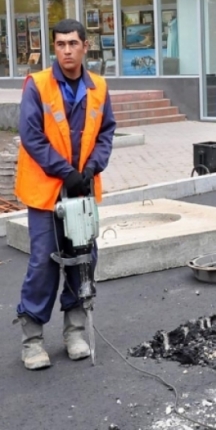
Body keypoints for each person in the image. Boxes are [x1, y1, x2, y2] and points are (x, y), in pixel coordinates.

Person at [14, 18, 116, 370]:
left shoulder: (99, 87)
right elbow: (32, 136)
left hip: (81, 192)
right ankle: (32, 340)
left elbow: (106, 132)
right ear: (54, 48)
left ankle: (74, 332)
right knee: (44, 262)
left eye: (73, 43)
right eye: (60, 44)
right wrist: (65, 172)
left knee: (83, 259)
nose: (67, 50)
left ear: (86, 46)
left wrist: (92, 168)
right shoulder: (38, 85)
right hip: (46, 192)